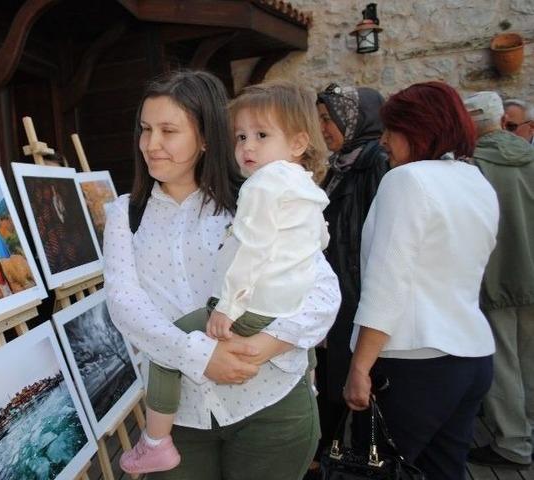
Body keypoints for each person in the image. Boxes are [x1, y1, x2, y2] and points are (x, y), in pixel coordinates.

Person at [104, 70, 340, 480]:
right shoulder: (126, 214)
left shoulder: (253, 199)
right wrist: (201, 357)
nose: (151, 144)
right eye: (145, 129)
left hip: (270, 406)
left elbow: (322, 292)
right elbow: (126, 305)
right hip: (182, 420)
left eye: (168, 130)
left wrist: (266, 346)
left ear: (206, 136)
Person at [343, 81, 499, 480]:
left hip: (413, 363)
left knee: (374, 471)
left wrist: (360, 366)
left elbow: (388, 284)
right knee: (444, 470)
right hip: (471, 356)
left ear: (419, 130)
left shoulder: (407, 181)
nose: (383, 142)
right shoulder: (475, 180)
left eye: (392, 131)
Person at [313, 83, 389, 464]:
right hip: (340, 294)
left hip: (360, 295)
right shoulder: (342, 164)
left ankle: (358, 458)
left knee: (357, 390)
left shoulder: (375, 162)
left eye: (330, 119)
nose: (324, 127)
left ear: (354, 119)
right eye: (322, 119)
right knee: (335, 385)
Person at [464, 91, 534, 469]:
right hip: (532, 272)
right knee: (530, 359)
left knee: (503, 362)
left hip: (495, 274)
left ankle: (513, 443)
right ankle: (528, 434)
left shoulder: (472, 166)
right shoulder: (531, 155)